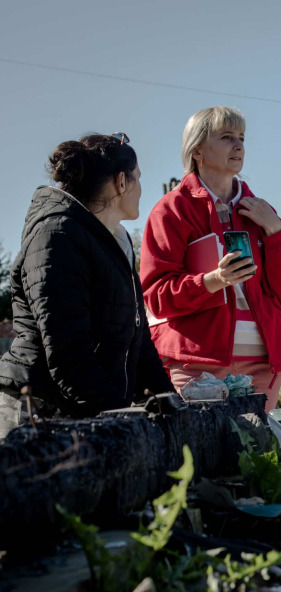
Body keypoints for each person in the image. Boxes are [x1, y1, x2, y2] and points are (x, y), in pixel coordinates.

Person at [0, 133, 174, 429]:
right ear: (122, 182)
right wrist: (118, 419)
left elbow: (141, 347)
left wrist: (170, 407)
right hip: (39, 413)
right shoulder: (57, 237)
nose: (142, 189)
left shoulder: (116, 243)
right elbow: (68, 353)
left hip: (88, 412)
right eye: (139, 178)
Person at [140, 106, 281, 411]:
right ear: (197, 150)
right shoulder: (171, 210)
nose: (238, 145)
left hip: (263, 364)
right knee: (201, 442)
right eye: (227, 137)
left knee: (255, 443)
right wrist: (213, 280)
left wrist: (277, 232)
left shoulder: (261, 211)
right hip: (196, 364)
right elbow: (156, 296)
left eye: (241, 137)